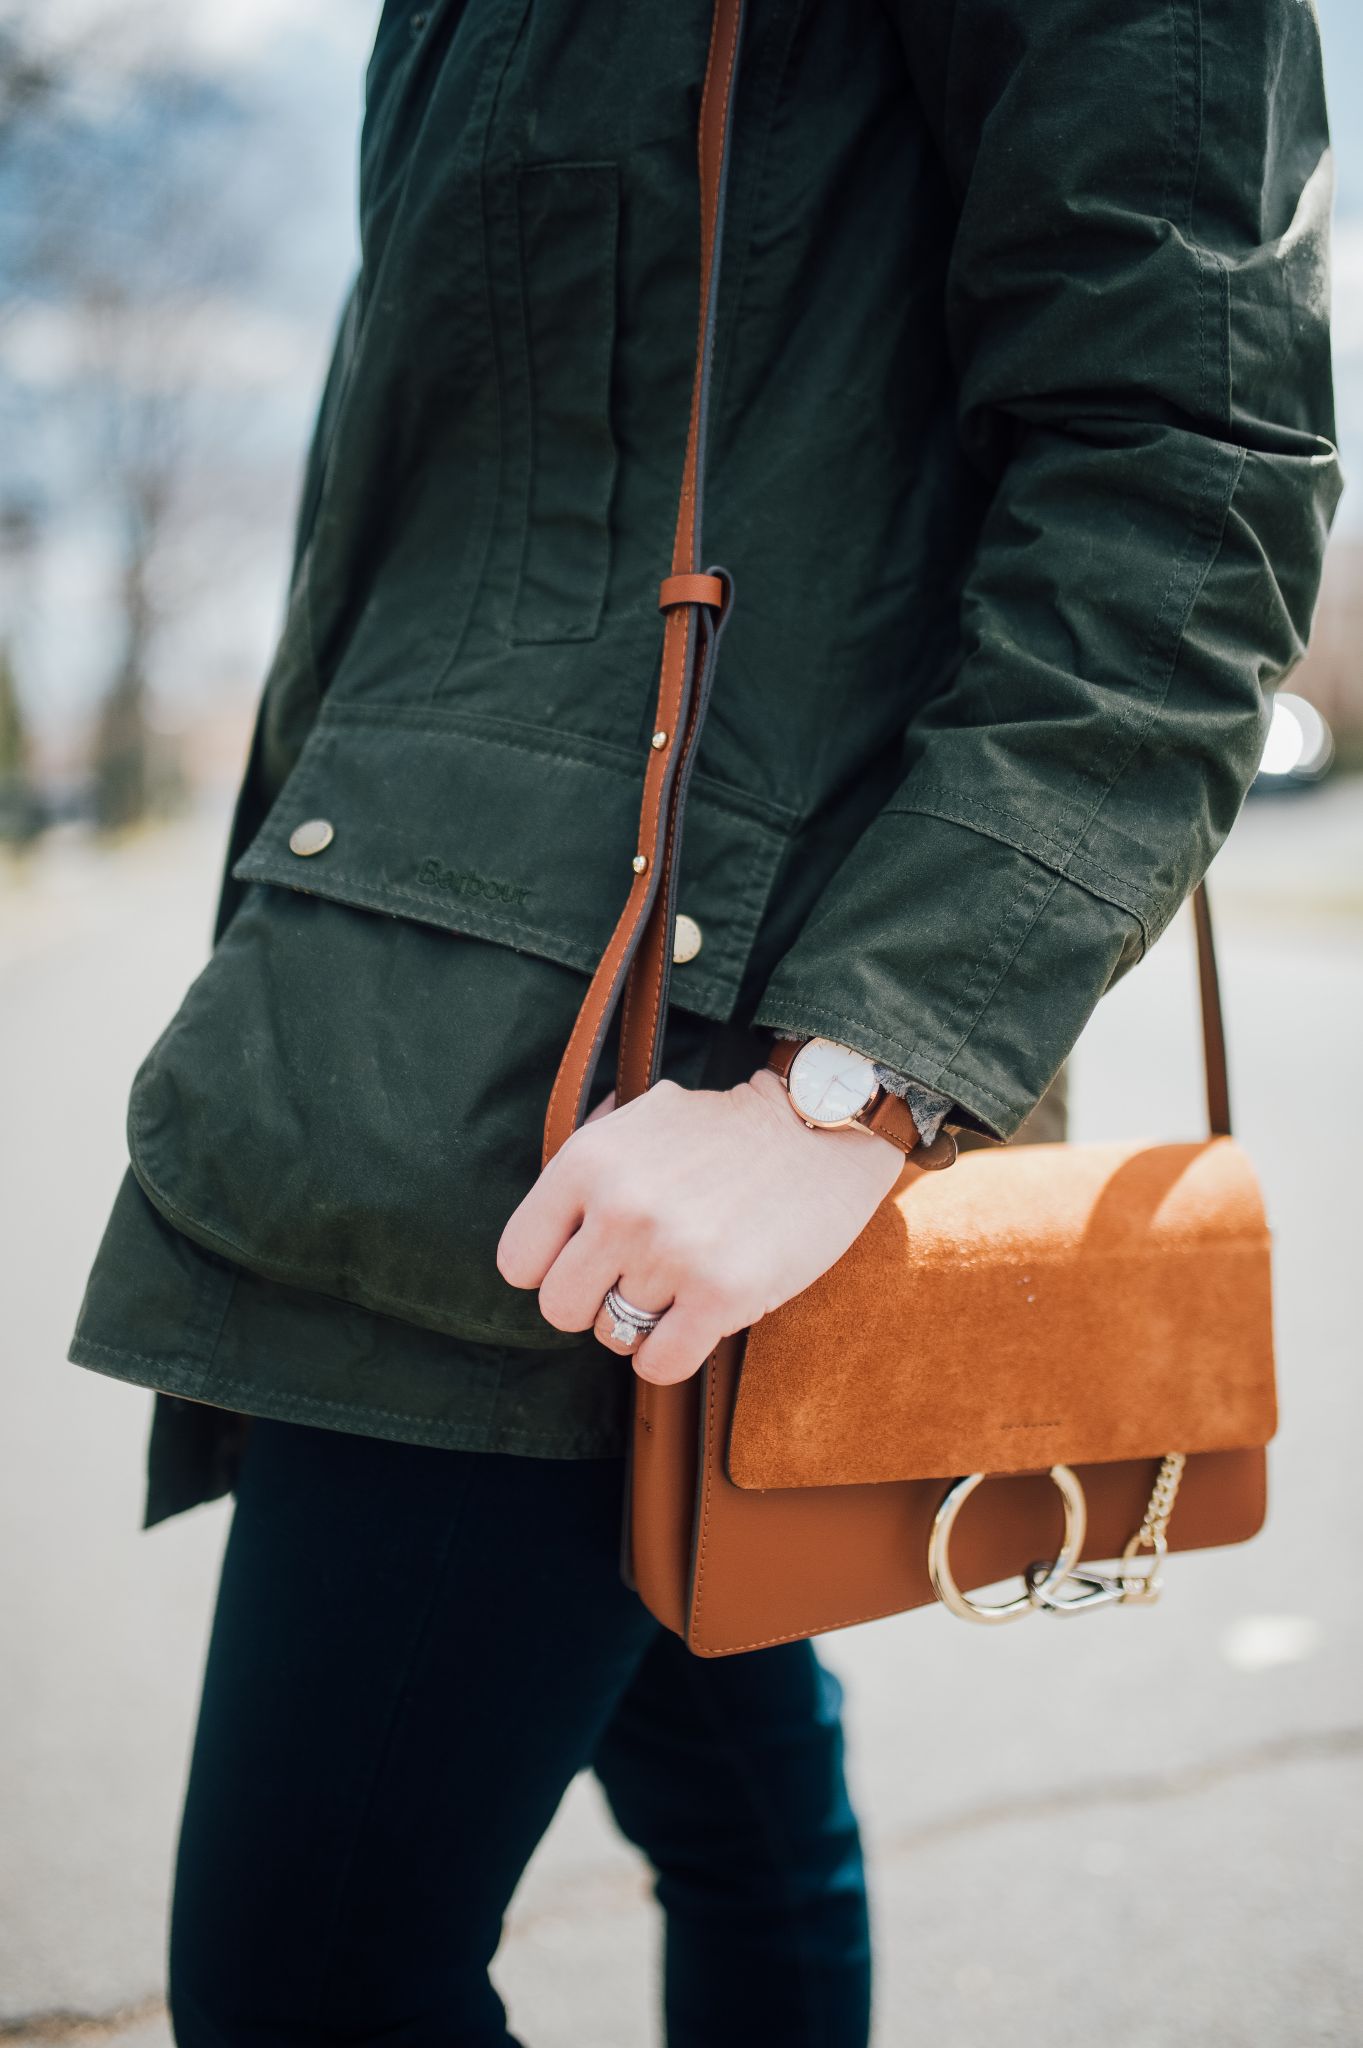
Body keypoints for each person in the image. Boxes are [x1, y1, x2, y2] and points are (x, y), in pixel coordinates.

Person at [69, 4, 1339, 2042]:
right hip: (442, 1049)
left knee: (309, 1981)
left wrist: (845, 1091)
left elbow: (1186, 474)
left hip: (632, 1122)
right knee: (742, 1808)